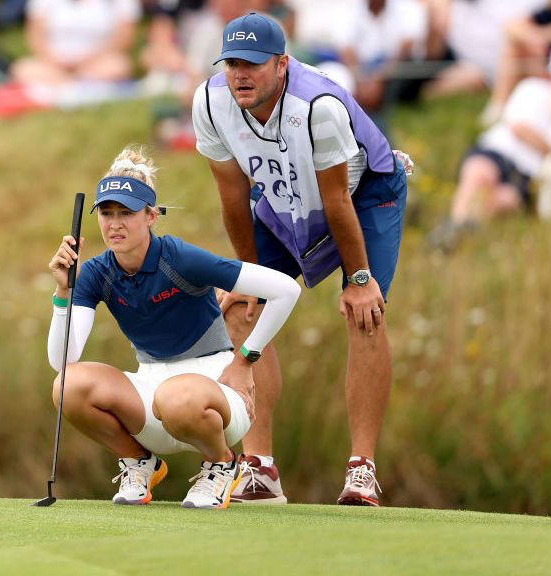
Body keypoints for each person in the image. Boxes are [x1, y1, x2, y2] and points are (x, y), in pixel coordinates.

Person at [192, 12, 410, 506]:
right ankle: (259, 469)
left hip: (364, 193)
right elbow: (231, 193)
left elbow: (335, 201)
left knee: (366, 313)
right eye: (231, 64)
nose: (240, 74)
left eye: (252, 64)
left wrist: (358, 279)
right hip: (283, 199)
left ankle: (362, 469)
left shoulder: (319, 106)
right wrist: (246, 276)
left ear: (282, 64)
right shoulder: (210, 101)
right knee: (241, 307)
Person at [46, 146, 301, 509]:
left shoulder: (178, 257)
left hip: (217, 393)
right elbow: (63, 360)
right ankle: (139, 462)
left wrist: (245, 362)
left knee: (177, 395)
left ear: (151, 216)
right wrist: (62, 291)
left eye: (126, 213)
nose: (114, 224)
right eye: (106, 212)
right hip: (151, 397)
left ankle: (222, 464)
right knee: (66, 385)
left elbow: (285, 290)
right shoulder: (95, 273)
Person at [429, 37, 551, 248]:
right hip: (500, 153)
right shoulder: (532, 89)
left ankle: (455, 237)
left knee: (502, 201)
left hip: (534, 177)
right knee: (478, 176)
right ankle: (455, 230)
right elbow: (519, 128)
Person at [10, 0, 141, 88]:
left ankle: (63, 86)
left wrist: (89, 59)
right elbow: (35, 35)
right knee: (22, 68)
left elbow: (124, 38)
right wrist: (53, 59)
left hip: (99, 60)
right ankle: (79, 86)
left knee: (118, 66)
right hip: (55, 62)